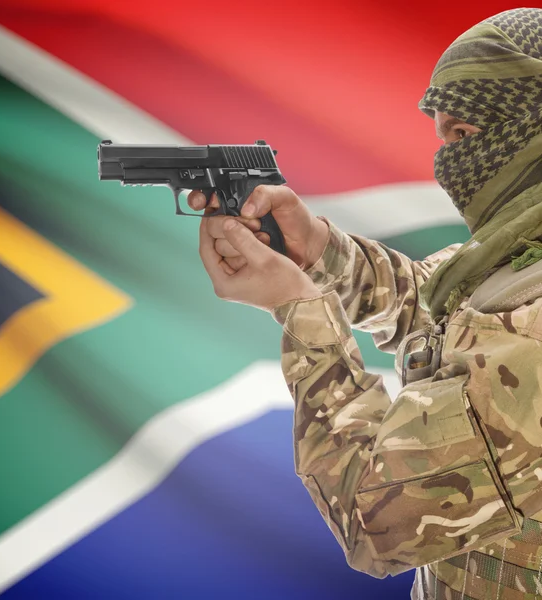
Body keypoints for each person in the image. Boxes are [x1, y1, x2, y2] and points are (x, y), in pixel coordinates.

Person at [188, 8, 542, 599]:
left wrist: (301, 310)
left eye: (463, 134)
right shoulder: (521, 256)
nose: (448, 161)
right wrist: (320, 251)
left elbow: (375, 522)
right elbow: (445, 311)